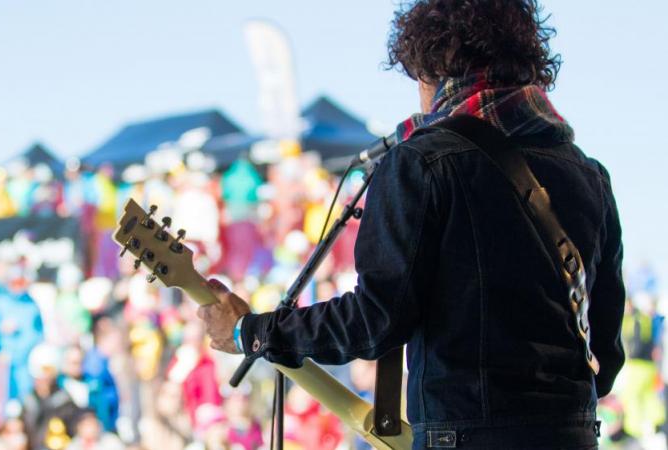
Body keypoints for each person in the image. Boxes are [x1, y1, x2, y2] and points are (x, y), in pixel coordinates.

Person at [197, 1, 626, 449]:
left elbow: (376, 319)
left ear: (430, 66)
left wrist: (255, 331)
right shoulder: (589, 175)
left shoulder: (422, 162)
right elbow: (606, 357)